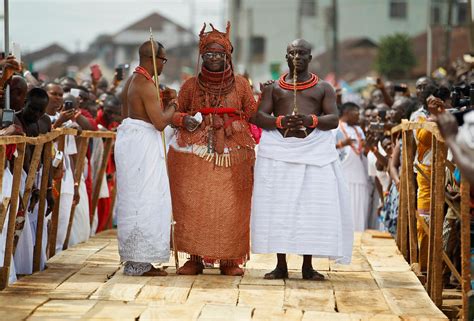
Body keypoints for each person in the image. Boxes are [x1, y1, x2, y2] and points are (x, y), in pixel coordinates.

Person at [251, 39, 353, 280]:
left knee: (310, 210)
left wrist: (311, 121)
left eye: (301, 53)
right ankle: (280, 265)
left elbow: (333, 119)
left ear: (310, 58)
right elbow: (259, 116)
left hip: (314, 153)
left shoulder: (324, 88)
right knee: (278, 208)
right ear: (286, 57)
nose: (296, 57)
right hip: (279, 153)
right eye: (292, 53)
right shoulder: (273, 87)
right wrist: (279, 121)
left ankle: (308, 266)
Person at [168, 22, 256, 276]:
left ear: (228, 56)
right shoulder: (189, 86)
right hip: (195, 152)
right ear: (202, 56)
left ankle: (230, 259)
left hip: (233, 152)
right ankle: (194, 258)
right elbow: (175, 113)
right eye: (209, 54)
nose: (214, 58)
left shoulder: (240, 85)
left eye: (219, 54)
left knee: (232, 203)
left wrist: (240, 122)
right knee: (193, 203)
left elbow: (252, 113)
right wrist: (183, 119)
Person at [115, 40, 175, 276]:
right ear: (153, 58)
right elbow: (160, 123)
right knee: (148, 200)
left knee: (135, 200)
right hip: (142, 149)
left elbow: (124, 114)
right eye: (163, 59)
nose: (164, 64)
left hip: (132, 144)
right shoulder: (145, 83)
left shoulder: (131, 80)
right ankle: (141, 262)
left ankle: (135, 260)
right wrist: (174, 104)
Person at [336, 102, 370, 231]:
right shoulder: (335, 127)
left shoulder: (358, 129)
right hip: (343, 175)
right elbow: (327, 149)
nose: (359, 116)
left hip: (359, 175)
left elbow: (364, 151)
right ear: (347, 113)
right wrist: (341, 144)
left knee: (359, 211)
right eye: (356, 113)